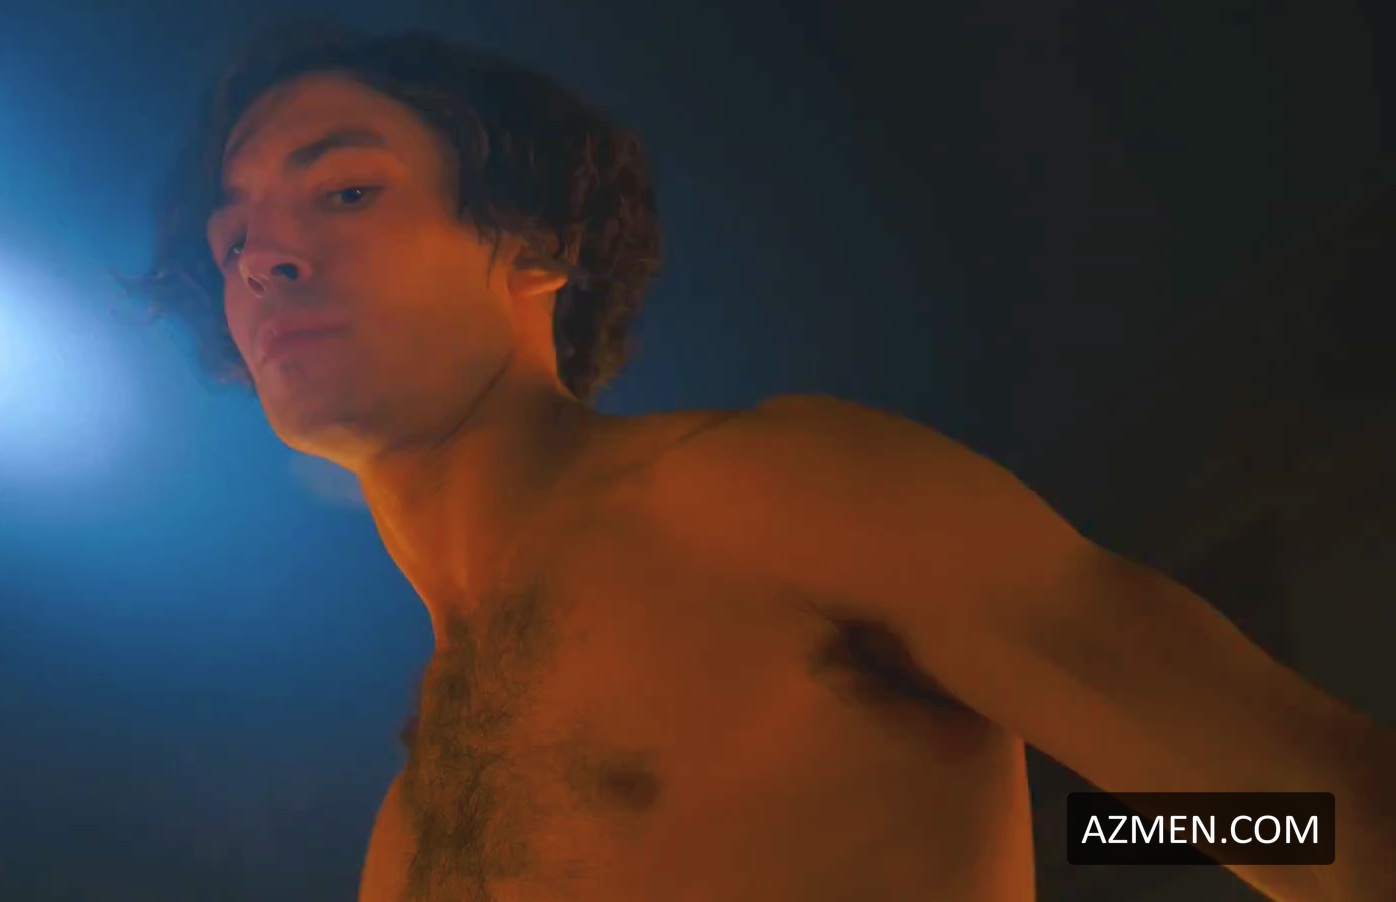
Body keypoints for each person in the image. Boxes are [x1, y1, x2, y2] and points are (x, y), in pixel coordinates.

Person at [131, 22, 1394, 902]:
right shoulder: (408, 819)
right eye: (233, 237)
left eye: (345, 191)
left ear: (535, 242)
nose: (263, 257)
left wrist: (1115, 829)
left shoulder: (760, 497)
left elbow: (1309, 806)